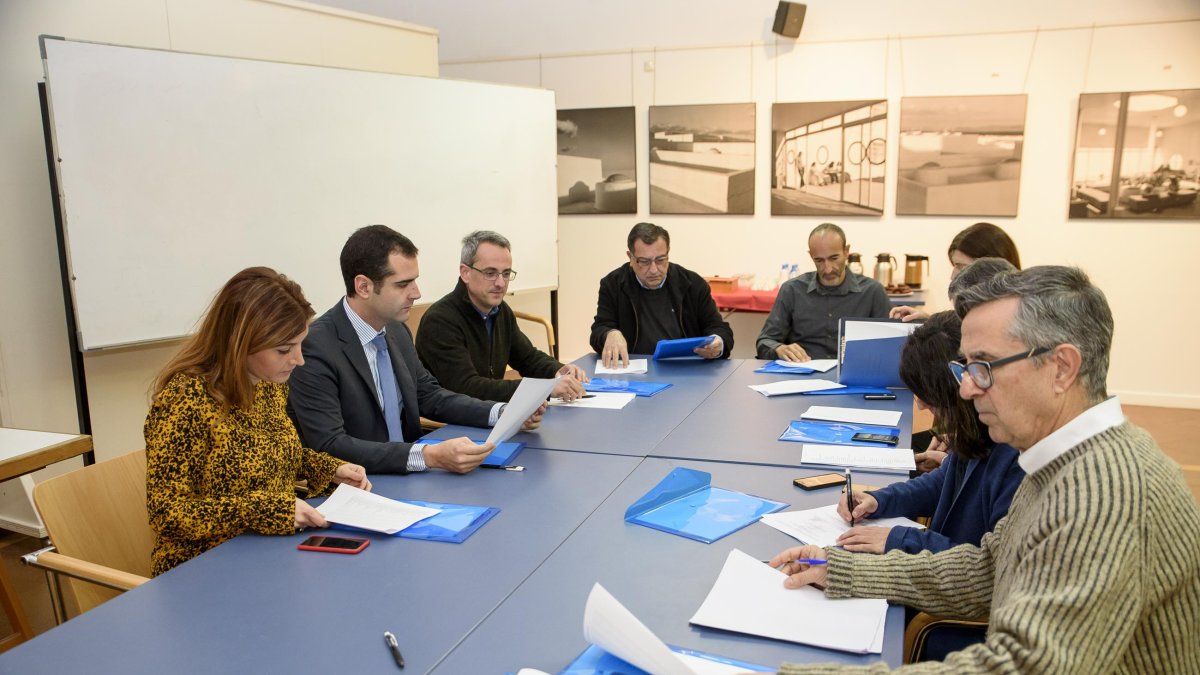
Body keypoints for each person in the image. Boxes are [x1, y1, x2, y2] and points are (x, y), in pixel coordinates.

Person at [770, 266, 1200, 673]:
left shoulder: (1104, 492)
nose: (965, 386)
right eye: (965, 366)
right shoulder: (1063, 461)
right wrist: (843, 570)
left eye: (983, 367)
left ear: (1061, 368)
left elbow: (1023, 667)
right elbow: (987, 569)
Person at [145, 267, 372, 576]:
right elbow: (168, 513)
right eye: (284, 349)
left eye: (300, 344)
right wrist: (264, 509)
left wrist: (330, 469)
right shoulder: (185, 399)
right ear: (241, 343)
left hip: (267, 550)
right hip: (202, 566)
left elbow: (275, 455)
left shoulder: (267, 383)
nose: (299, 359)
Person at [288, 225, 544, 475]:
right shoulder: (316, 347)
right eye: (403, 284)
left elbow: (429, 396)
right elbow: (330, 445)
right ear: (364, 287)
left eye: (415, 281)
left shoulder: (396, 330)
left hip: (411, 474)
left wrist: (503, 413)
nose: (416, 293)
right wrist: (426, 456)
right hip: (361, 486)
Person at [834, 311, 1024, 557]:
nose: (922, 406)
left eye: (927, 396)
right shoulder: (977, 430)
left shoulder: (1015, 456)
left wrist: (901, 539)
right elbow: (943, 482)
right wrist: (881, 500)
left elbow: (986, 568)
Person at [416, 230, 587, 402]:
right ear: (465, 273)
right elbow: (466, 387)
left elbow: (527, 358)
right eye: (490, 273)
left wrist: (558, 370)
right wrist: (542, 388)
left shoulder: (500, 310)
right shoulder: (439, 321)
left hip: (489, 411)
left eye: (506, 273)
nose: (500, 283)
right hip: (451, 423)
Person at [590, 222, 733, 368]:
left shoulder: (692, 284)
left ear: (668, 253)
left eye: (660, 260)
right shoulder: (613, 285)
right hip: (633, 370)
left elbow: (720, 330)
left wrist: (718, 344)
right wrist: (610, 333)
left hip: (686, 369)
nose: (653, 269)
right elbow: (598, 330)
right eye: (644, 262)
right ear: (630, 258)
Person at [756, 223, 889, 362]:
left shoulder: (873, 292)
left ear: (846, 251)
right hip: (801, 373)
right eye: (819, 260)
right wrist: (779, 349)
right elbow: (765, 341)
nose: (828, 269)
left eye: (834, 258)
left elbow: (891, 346)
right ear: (811, 256)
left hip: (855, 373)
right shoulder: (792, 290)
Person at [892, 221, 1021, 322]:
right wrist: (930, 321)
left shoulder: (1018, 317)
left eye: (961, 266)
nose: (953, 275)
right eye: (954, 265)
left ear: (993, 267)